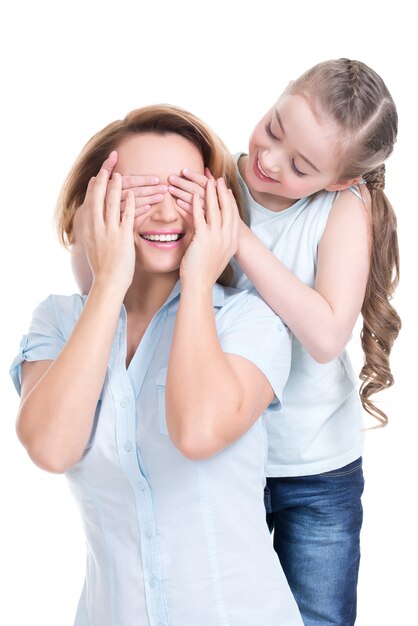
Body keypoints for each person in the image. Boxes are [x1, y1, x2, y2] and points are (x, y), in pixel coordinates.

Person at [95, 59, 400, 626]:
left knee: (318, 617)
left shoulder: (343, 210)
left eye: (301, 166)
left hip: (316, 468)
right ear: (279, 95)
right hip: (227, 462)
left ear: (339, 180)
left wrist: (236, 237)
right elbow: (118, 267)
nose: (268, 159)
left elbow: (328, 335)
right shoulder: (215, 179)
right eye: (274, 128)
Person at [10, 105, 304, 626]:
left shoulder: (250, 320)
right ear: (94, 205)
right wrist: (108, 285)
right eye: (140, 195)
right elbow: (51, 448)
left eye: (184, 193)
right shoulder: (58, 321)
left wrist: (199, 277)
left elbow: (198, 431)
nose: (167, 215)